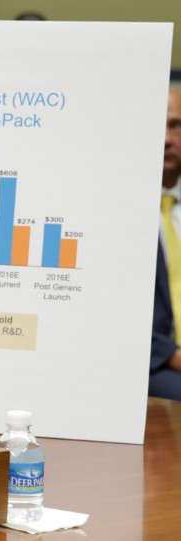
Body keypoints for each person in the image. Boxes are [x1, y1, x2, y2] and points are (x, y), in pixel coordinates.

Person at [151, 86, 181, 400]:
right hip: (153, 360)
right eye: (157, 125)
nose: (166, 139)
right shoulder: (120, 210)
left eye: (176, 125)